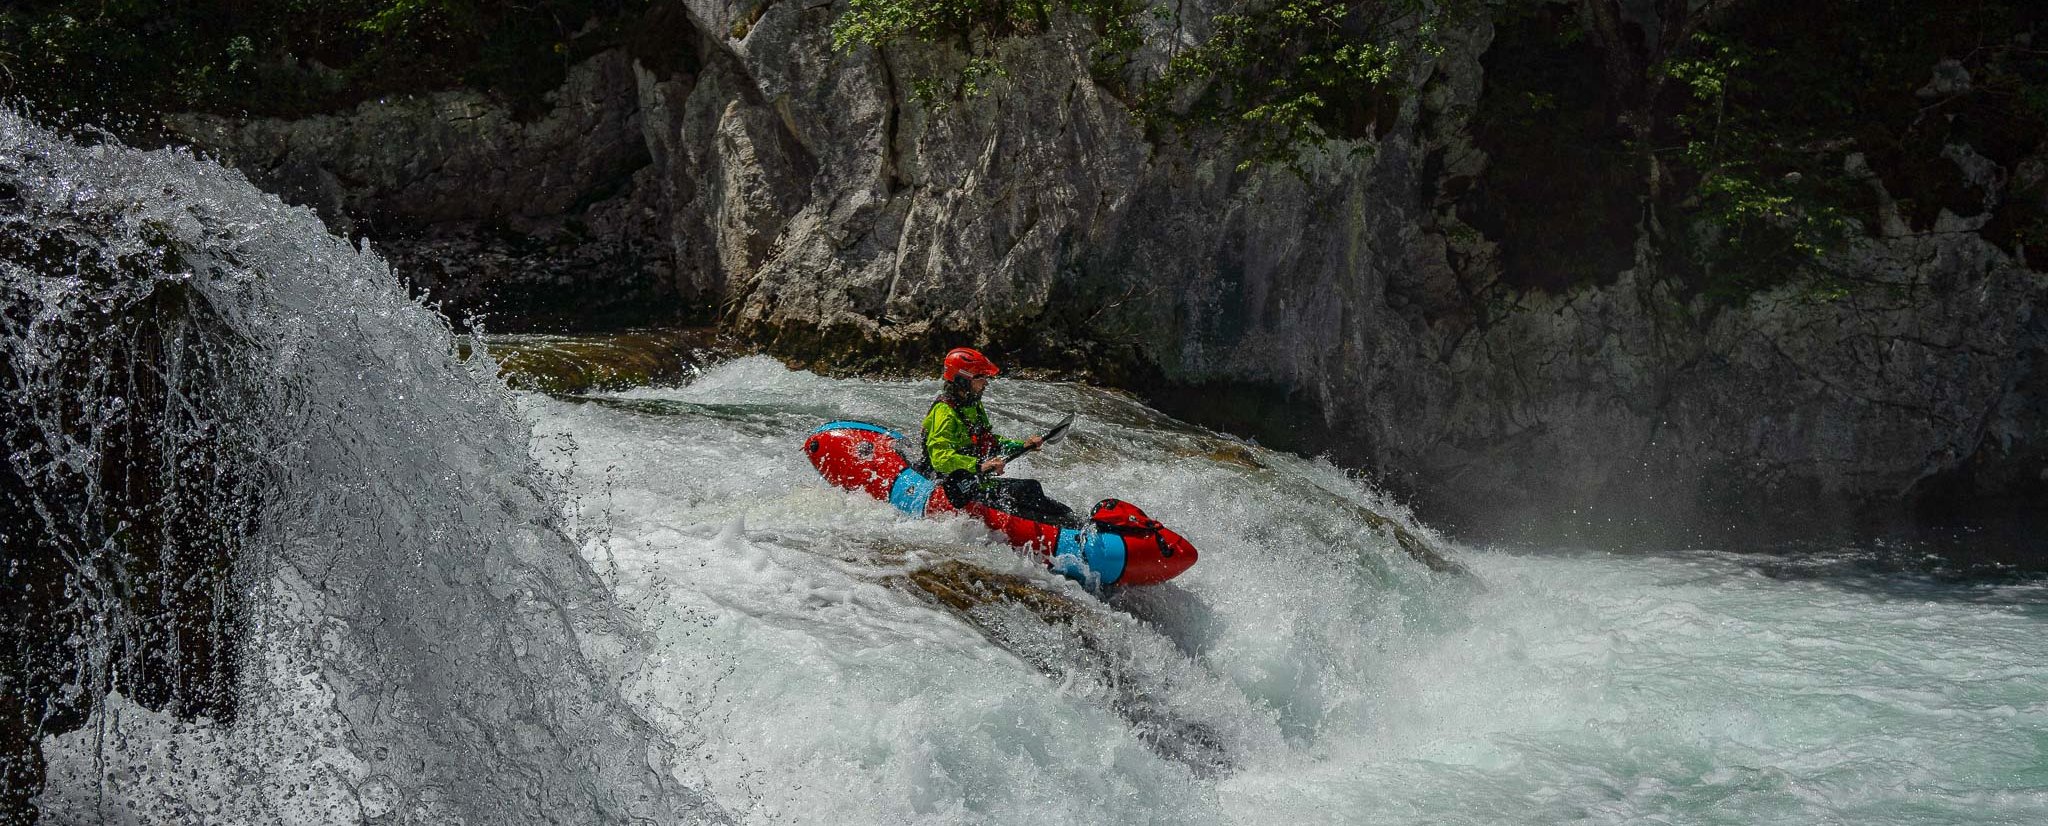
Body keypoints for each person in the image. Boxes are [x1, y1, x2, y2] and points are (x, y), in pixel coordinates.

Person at [920, 347, 1079, 527]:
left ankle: (1071, 522)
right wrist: (980, 466)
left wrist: (1022, 445)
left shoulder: (973, 405)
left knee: (1030, 489)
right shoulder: (945, 413)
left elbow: (989, 442)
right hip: (950, 484)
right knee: (1028, 488)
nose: (986, 383)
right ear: (962, 380)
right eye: (980, 377)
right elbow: (939, 459)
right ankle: (1063, 530)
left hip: (975, 479)